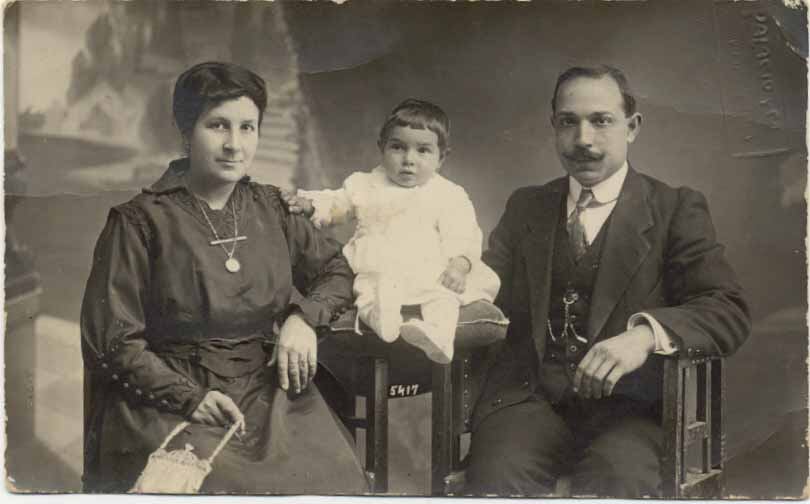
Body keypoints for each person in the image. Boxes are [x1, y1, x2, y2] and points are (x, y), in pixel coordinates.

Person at [80, 61, 368, 494]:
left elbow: (338, 268)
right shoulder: (138, 222)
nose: (235, 145)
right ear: (185, 130)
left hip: (265, 388)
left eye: (248, 128)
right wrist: (190, 399)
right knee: (221, 486)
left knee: (335, 479)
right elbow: (113, 341)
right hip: (168, 397)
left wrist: (304, 318)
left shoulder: (271, 207)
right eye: (218, 126)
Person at [465, 65, 751, 497]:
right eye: (568, 122)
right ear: (554, 128)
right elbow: (483, 292)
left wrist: (644, 336)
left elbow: (727, 307)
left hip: (631, 413)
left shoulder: (675, 209)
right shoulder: (527, 207)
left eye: (601, 121)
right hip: (529, 403)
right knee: (496, 478)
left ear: (632, 128)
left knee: (618, 482)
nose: (583, 140)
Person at [285, 99, 499, 364]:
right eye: (398, 147)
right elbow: (338, 203)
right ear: (382, 148)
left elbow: (464, 233)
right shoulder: (366, 184)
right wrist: (313, 204)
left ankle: (438, 337)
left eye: (423, 151)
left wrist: (459, 264)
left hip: (428, 269)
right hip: (379, 267)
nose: (409, 160)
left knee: (444, 297)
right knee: (367, 290)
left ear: (441, 158)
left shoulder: (447, 194)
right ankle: (382, 321)